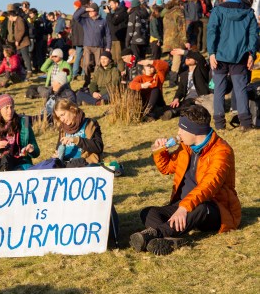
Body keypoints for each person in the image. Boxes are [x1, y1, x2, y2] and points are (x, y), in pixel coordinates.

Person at [130, 105, 241, 255]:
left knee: (201, 207)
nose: (178, 133)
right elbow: (167, 168)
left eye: (182, 129)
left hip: (213, 208)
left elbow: (208, 185)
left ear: (195, 131)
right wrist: (160, 151)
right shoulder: (187, 147)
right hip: (183, 205)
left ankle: (153, 235)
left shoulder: (222, 152)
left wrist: (184, 208)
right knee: (148, 212)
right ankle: (169, 240)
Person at [207, 0, 258, 131]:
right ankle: (245, 123)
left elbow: (212, 32)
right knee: (240, 88)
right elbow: (253, 35)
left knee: (219, 89)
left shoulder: (218, 10)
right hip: (240, 55)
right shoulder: (248, 12)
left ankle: (219, 123)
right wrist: (251, 53)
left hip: (220, 55)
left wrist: (211, 53)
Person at [0, 94, 40, 181]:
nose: (10, 111)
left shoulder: (24, 123)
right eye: (6, 108)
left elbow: (37, 151)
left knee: (8, 160)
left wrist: (32, 149)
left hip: (20, 160)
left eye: (11, 107)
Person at [52, 98, 103, 167]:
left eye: (63, 114)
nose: (62, 119)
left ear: (72, 109)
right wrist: (57, 155)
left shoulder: (90, 124)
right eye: (59, 117)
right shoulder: (63, 129)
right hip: (66, 164)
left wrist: (75, 140)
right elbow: (58, 150)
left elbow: (98, 147)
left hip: (84, 163)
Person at [162, 50, 211, 120]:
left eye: (190, 57)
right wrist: (176, 98)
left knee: (188, 104)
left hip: (200, 98)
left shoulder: (201, 70)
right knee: (172, 106)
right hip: (187, 99)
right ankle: (152, 115)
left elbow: (201, 58)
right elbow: (180, 89)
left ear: (196, 61)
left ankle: (174, 113)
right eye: (187, 57)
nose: (188, 58)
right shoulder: (184, 74)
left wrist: (184, 52)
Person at [73, 2, 111, 88]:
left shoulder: (103, 21)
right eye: (89, 11)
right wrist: (85, 9)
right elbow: (75, 16)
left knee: (98, 65)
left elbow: (108, 35)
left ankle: (97, 82)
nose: (90, 13)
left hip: (99, 47)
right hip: (87, 46)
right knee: (86, 64)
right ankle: (86, 82)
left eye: (92, 11)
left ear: (97, 11)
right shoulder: (85, 20)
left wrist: (108, 47)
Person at [162, 0, 190, 87]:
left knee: (172, 61)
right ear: (180, 5)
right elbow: (182, 28)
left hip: (167, 41)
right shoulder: (179, 12)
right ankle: (172, 82)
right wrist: (185, 41)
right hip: (176, 40)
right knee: (176, 61)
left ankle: (174, 79)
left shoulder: (167, 13)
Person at [6, 5, 32, 79]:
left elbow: (22, 31)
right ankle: (22, 70)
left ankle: (29, 71)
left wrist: (17, 40)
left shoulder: (19, 20)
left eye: (9, 17)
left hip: (23, 42)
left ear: (11, 16)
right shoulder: (16, 21)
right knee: (20, 57)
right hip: (20, 43)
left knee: (25, 56)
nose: (9, 19)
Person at [105, 0, 128, 71]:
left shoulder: (122, 12)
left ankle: (121, 75)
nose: (110, 7)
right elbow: (110, 23)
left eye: (111, 5)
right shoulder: (114, 13)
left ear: (117, 3)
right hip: (113, 38)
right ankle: (115, 75)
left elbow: (114, 22)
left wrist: (109, 13)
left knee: (119, 58)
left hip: (119, 39)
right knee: (113, 59)